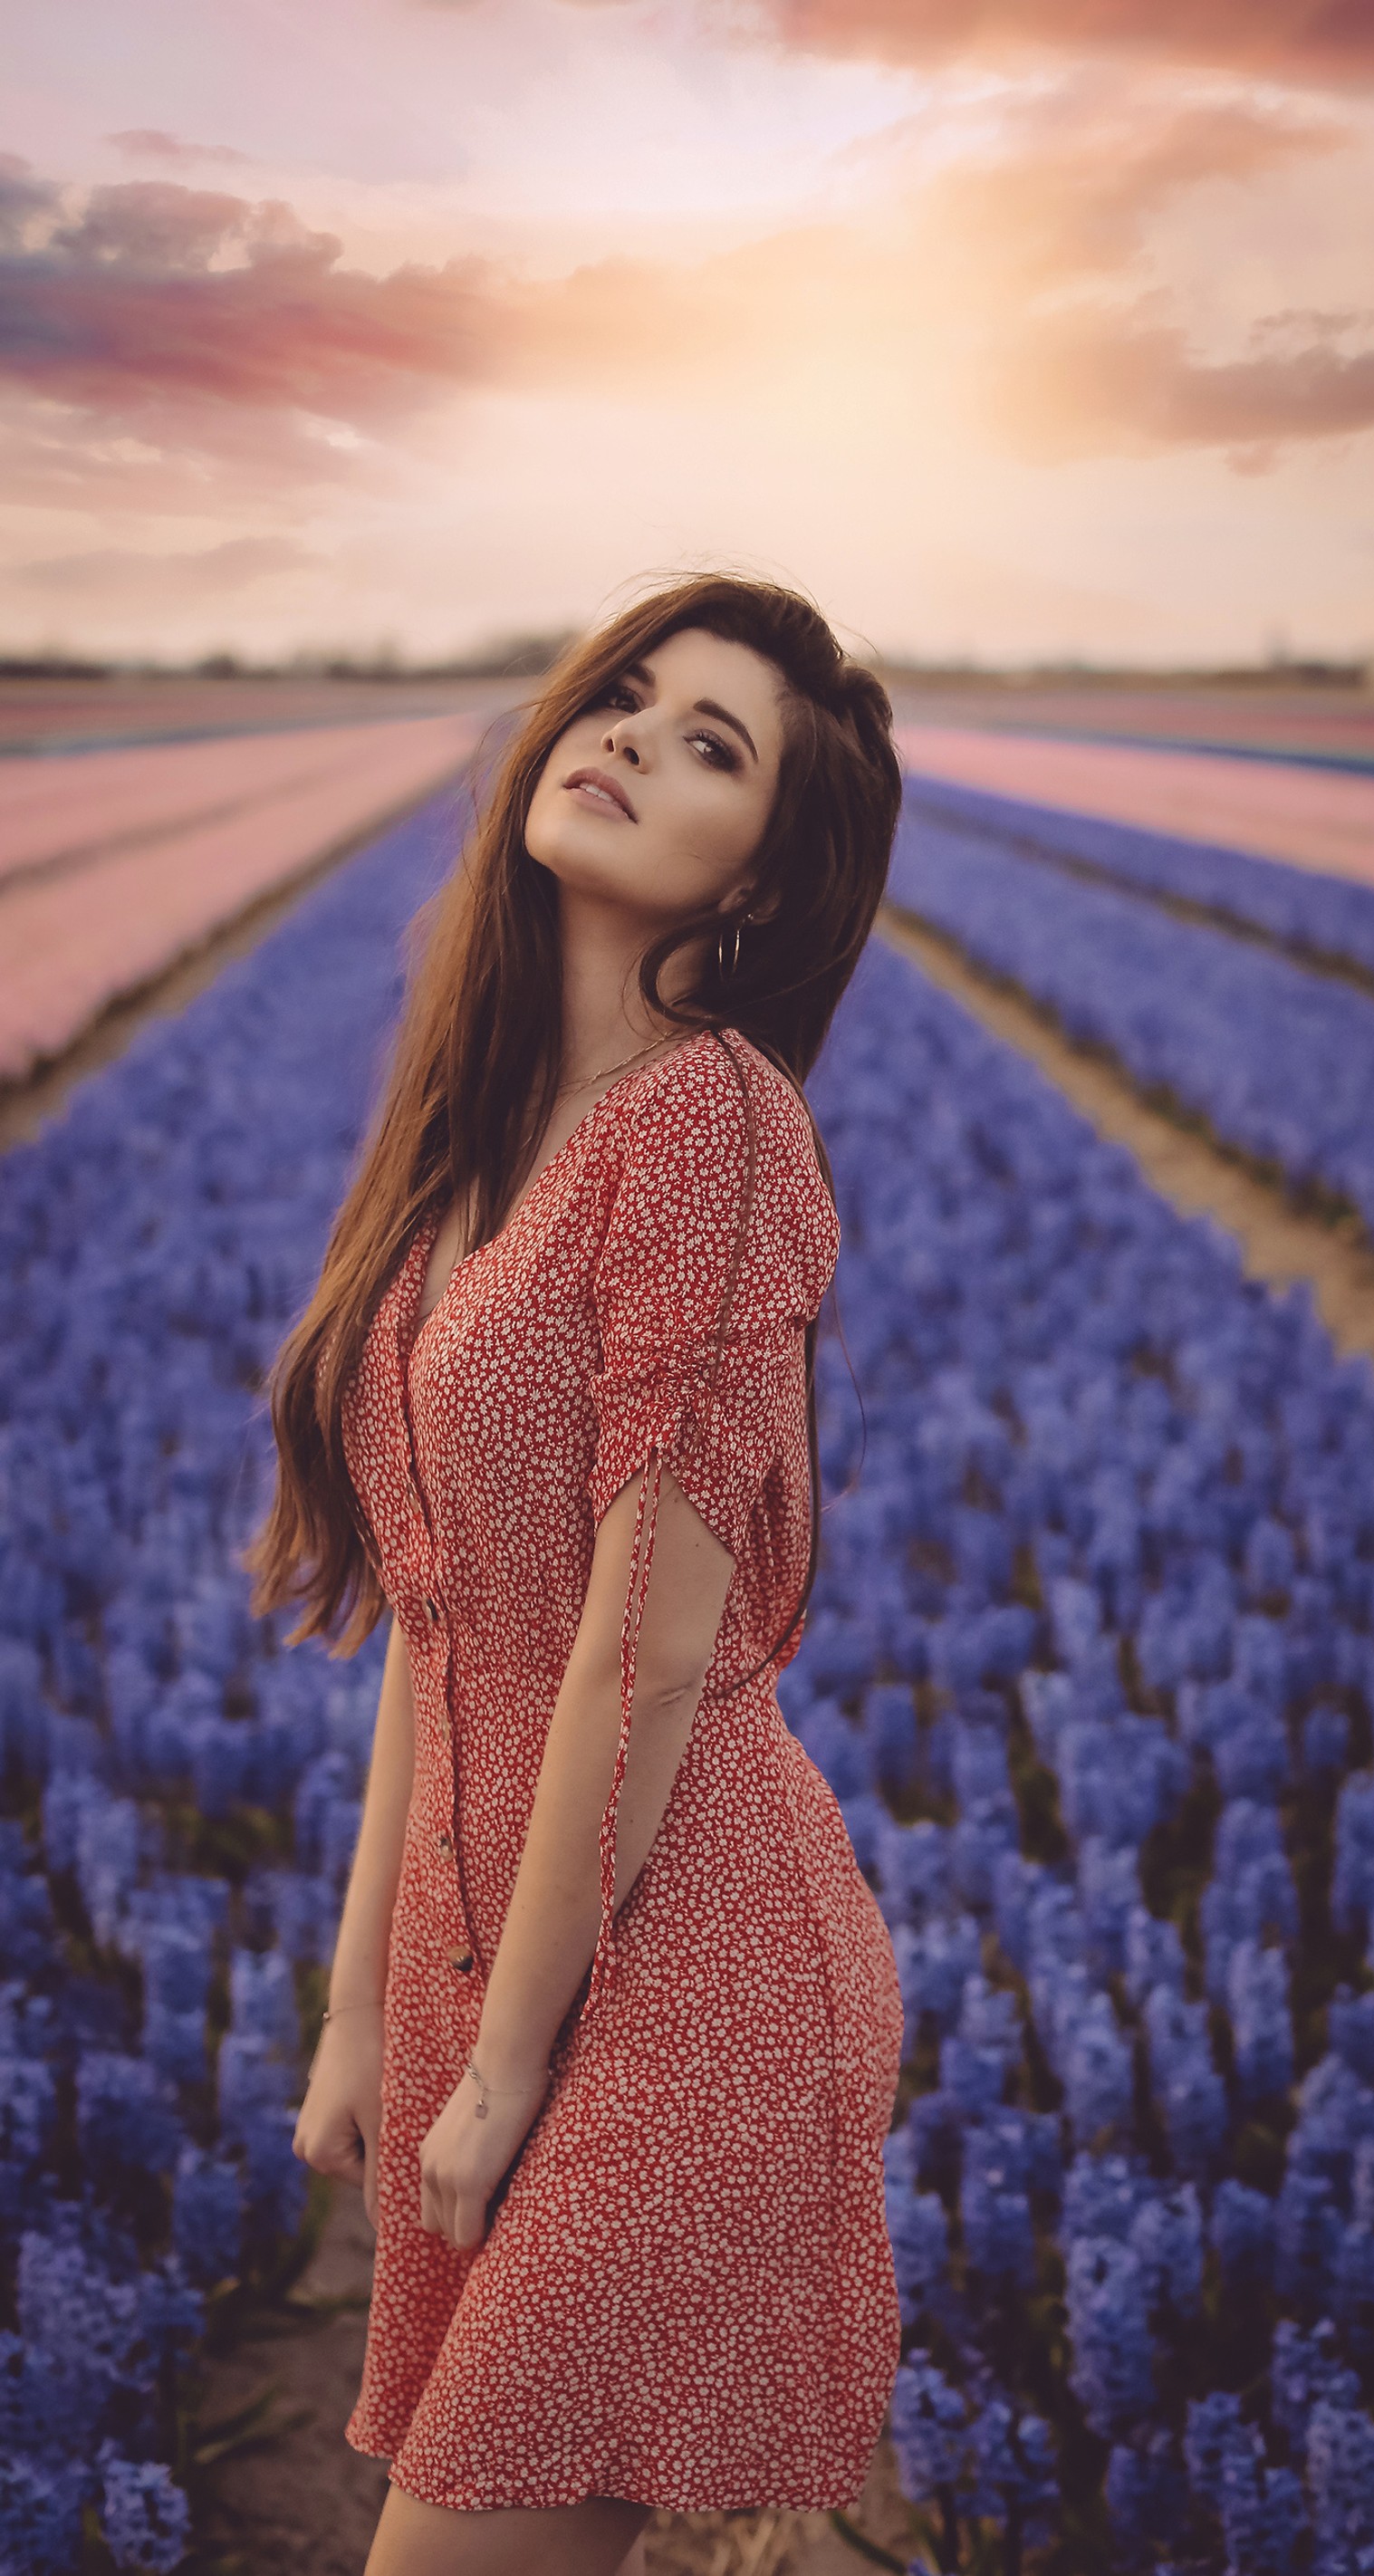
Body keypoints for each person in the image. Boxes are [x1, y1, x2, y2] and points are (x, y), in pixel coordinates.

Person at [250, 573, 906, 2576]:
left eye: (709, 745)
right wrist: (370, 2007)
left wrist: (515, 2052)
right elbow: (435, 1620)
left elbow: (646, 1647)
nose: (625, 738)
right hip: (495, 1949)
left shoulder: (707, 1128)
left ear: (759, 888)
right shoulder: (476, 1141)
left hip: (678, 1973)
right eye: (622, 698)